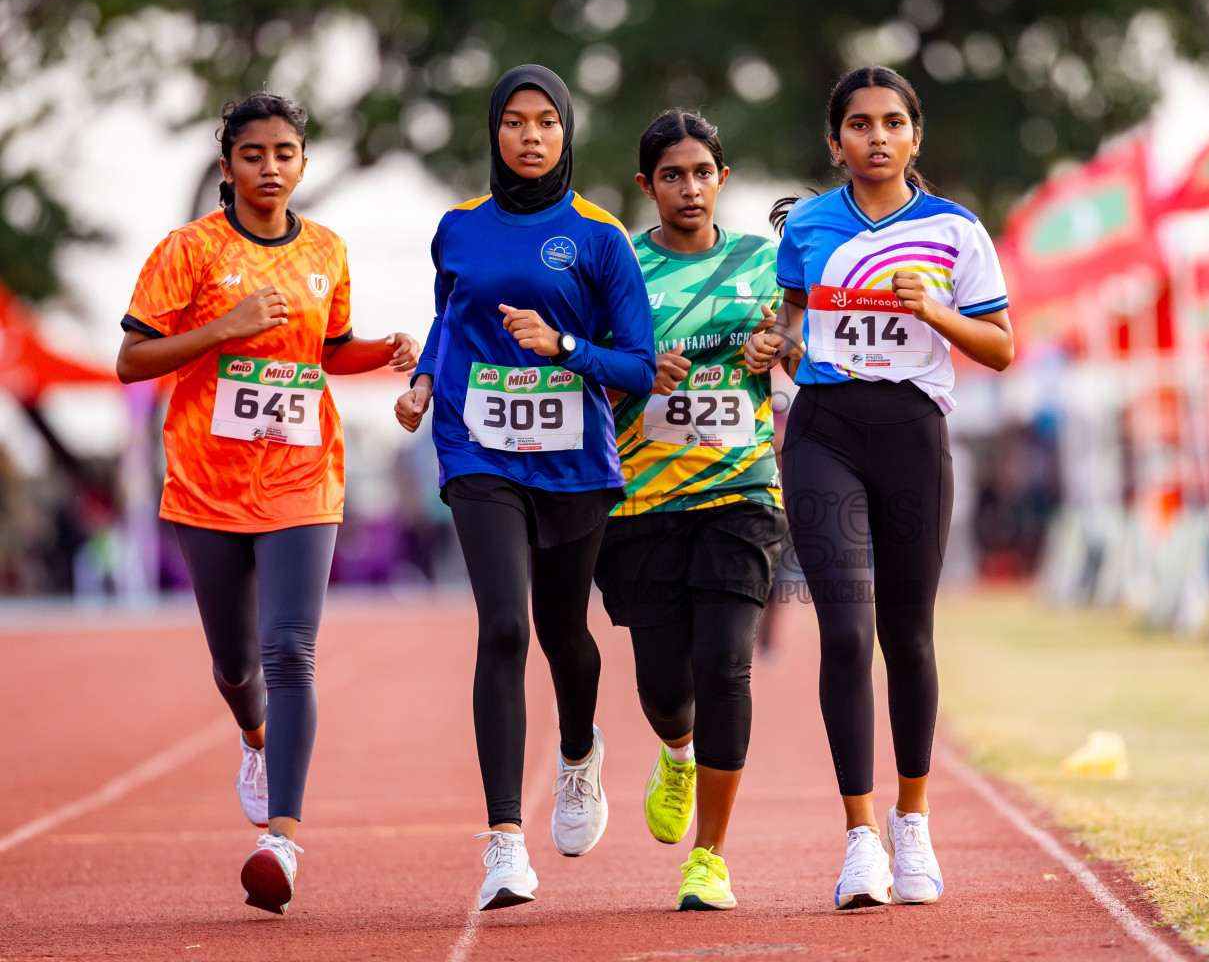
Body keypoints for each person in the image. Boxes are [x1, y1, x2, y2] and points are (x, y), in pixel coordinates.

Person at [115, 92, 420, 915]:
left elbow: (325, 352)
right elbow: (132, 361)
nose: (270, 168)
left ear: (303, 165)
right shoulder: (190, 251)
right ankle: (254, 737)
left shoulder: (326, 248)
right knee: (235, 665)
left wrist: (385, 352)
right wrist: (226, 326)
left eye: (285, 154)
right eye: (253, 155)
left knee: (290, 652)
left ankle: (281, 838)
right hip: (207, 485)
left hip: (302, 478)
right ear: (227, 167)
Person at [745, 66, 1014, 909]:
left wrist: (936, 313)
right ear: (836, 142)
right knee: (846, 634)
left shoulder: (955, 230)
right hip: (824, 433)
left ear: (914, 137)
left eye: (893, 122)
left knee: (909, 635)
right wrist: (770, 349)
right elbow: (788, 329)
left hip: (912, 438)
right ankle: (860, 838)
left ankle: (913, 821)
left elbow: (1002, 346)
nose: (877, 136)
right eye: (859, 124)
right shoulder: (809, 227)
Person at [393, 65, 655, 911]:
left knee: (562, 632)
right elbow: (448, 321)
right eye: (515, 121)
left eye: (546, 121)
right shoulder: (458, 229)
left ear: (566, 133)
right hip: (479, 449)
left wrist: (564, 347)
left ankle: (579, 753)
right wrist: (426, 383)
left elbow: (640, 368)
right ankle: (505, 843)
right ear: (494, 133)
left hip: (574, 455)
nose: (531, 136)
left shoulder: (601, 237)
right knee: (504, 627)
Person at [592, 109, 787, 911]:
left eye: (702, 172)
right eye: (672, 175)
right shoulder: (620, 270)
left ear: (722, 179)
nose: (689, 187)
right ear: (648, 186)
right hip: (642, 504)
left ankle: (710, 856)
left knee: (726, 664)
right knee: (667, 687)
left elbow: (802, 350)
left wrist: (778, 349)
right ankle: (676, 751)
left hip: (741, 491)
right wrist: (638, 374)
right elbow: (586, 379)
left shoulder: (761, 263)